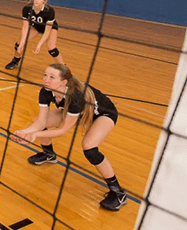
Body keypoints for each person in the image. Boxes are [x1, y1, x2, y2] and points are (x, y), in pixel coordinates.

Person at [11, 64, 127, 211]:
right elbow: (41, 121)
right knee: (37, 122)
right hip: (74, 112)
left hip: (103, 114)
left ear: (63, 82)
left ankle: (118, 192)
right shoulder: (45, 91)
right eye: (45, 75)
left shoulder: (75, 97)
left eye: (52, 77)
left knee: (89, 147)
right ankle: (49, 154)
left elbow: (62, 131)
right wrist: (24, 132)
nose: (46, 80)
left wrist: (35, 134)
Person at [5, 0, 64, 70]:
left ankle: (64, 69)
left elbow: (47, 32)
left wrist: (39, 45)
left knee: (51, 48)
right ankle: (15, 61)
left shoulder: (49, 11)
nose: (36, 0)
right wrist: (22, 43)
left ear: (44, 0)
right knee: (18, 45)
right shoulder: (26, 9)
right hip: (36, 27)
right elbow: (25, 27)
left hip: (50, 29)